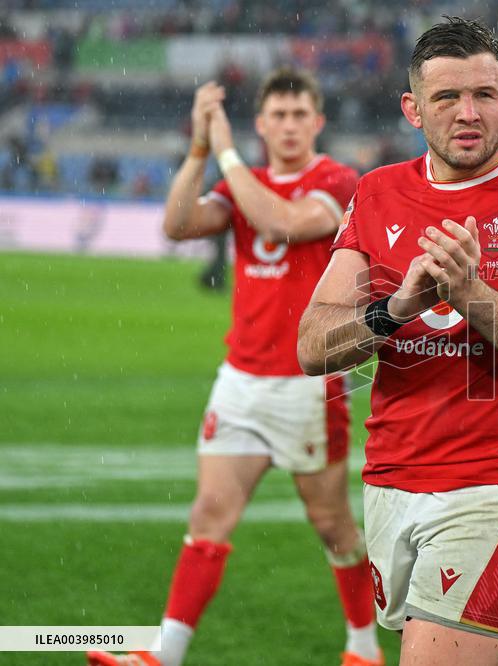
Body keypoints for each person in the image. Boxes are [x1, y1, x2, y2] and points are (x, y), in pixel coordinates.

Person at [297, 17, 498, 666]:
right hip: (392, 478)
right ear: (413, 109)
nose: (467, 113)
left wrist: (471, 296)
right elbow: (312, 346)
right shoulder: (377, 192)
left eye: (483, 95)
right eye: (446, 97)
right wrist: (397, 308)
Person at [87, 68, 382, 666]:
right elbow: (177, 225)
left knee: (332, 524)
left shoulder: (337, 180)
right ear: (261, 124)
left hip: (307, 384)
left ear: (318, 122)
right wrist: (200, 147)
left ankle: (363, 647)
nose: (289, 125)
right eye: (278, 115)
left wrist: (226, 152)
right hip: (241, 380)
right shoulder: (242, 182)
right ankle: (165, 654)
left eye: (299, 115)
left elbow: (283, 223)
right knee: (209, 514)